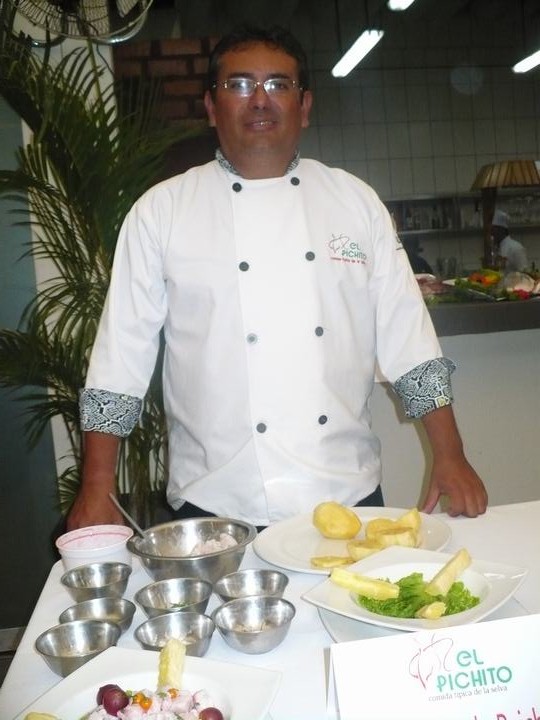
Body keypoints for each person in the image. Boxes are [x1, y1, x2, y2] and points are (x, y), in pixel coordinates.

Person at [67, 24, 487, 531]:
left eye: (279, 84)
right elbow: (121, 357)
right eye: (240, 84)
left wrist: (451, 454)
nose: (260, 100)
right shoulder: (161, 211)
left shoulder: (354, 201)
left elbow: (408, 337)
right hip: (215, 502)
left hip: (347, 493)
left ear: (304, 106)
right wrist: (97, 488)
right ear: (211, 106)